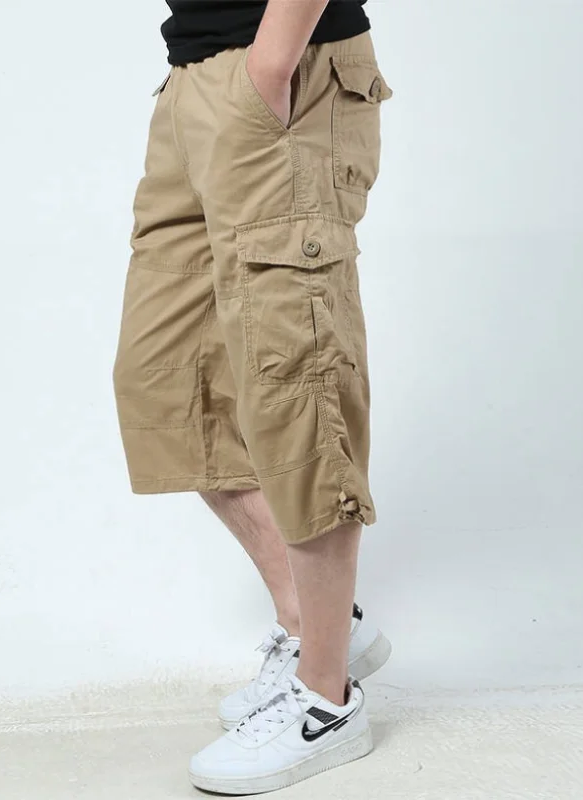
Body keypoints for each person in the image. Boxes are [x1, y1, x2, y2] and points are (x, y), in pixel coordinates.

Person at [113, 0, 392, 793]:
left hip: (283, 67)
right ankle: (317, 626)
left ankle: (326, 701)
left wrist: (271, 65)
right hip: (192, 78)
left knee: (296, 386)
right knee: (169, 383)